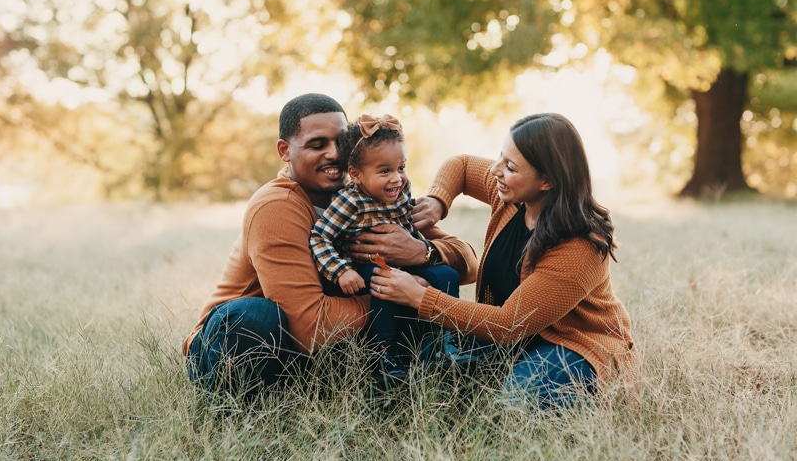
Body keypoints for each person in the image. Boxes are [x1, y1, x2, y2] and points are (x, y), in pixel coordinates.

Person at [183, 93, 478, 397]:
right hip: (240, 341)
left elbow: (470, 265)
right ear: (285, 150)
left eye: (341, 142)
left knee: (475, 329)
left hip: (329, 336)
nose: (334, 153)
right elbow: (310, 327)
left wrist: (423, 253)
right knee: (254, 317)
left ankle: (393, 383)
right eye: (317, 144)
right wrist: (405, 294)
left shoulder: (371, 189)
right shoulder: (276, 206)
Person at [369, 113, 640, 408]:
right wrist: (437, 201)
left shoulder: (580, 245)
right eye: (501, 156)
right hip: (512, 339)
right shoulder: (513, 196)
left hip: (576, 344)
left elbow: (510, 324)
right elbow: (460, 165)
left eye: (510, 166)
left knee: (516, 403)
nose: (496, 170)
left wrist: (419, 296)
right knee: (434, 378)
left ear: (547, 180)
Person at [309, 114, 472, 385]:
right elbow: (319, 238)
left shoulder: (401, 188)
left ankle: (445, 343)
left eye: (401, 167)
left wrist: (421, 247)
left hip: (403, 258)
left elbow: (407, 225)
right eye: (385, 171)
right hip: (367, 264)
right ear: (356, 175)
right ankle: (384, 354)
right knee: (383, 282)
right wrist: (341, 271)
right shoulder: (349, 201)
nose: (397, 179)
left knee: (447, 276)